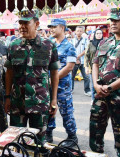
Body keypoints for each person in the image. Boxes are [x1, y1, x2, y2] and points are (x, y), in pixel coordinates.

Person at [4, 9, 59, 142]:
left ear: (36, 24)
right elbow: (9, 73)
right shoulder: (13, 46)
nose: (22, 26)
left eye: (26, 23)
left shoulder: (49, 46)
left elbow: (54, 73)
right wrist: (7, 97)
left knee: (39, 141)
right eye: (20, 23)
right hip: (18, 103)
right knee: (16, 140)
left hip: (40, 103)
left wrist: (54, 100)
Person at [90, 8, 120, 157]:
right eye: (112, 20)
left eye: (117, 20)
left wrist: (109, 87)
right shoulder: (105, 42)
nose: (113, 23)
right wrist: (96, 85)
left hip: (119, 98)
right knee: (95, 134)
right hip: (100, 95)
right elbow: (95, 64)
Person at [45, 19, 78, 147]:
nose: (51, 29)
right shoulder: (49, 44)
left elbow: (69, 67)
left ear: (62, 28)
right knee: (49, 110)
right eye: (50, 27)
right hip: (49, 85)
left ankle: (72, 136)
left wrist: (54, 78)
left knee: (66, 112)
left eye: (54, 27)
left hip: (63, 87)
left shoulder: (69, 46)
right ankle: (48, 133)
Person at [71, 26, 91, 96]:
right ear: (75, 32)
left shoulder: (85, 40)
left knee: (86, 77)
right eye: (77, 31)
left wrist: (78, 57)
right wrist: (75, 59)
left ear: (83, 32)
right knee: (71, 77)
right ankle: (71, 89)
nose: (79, 32)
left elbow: (86, 50)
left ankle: (87, 90)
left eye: (80, 31)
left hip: (83, 62)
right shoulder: (72, 40)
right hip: (74, 61)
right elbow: (70, 50)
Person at [84, 29, 103, 101]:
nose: (99, 35)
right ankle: (93, 99)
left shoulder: (105, 43)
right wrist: (86, 67)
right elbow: (86, 56)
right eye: (97, 33)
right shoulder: (91, 43)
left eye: (100, 33)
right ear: (95, 35)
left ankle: (101, 99)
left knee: (102, 84)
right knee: (93, 84)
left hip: (102, 68)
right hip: (92, 68)